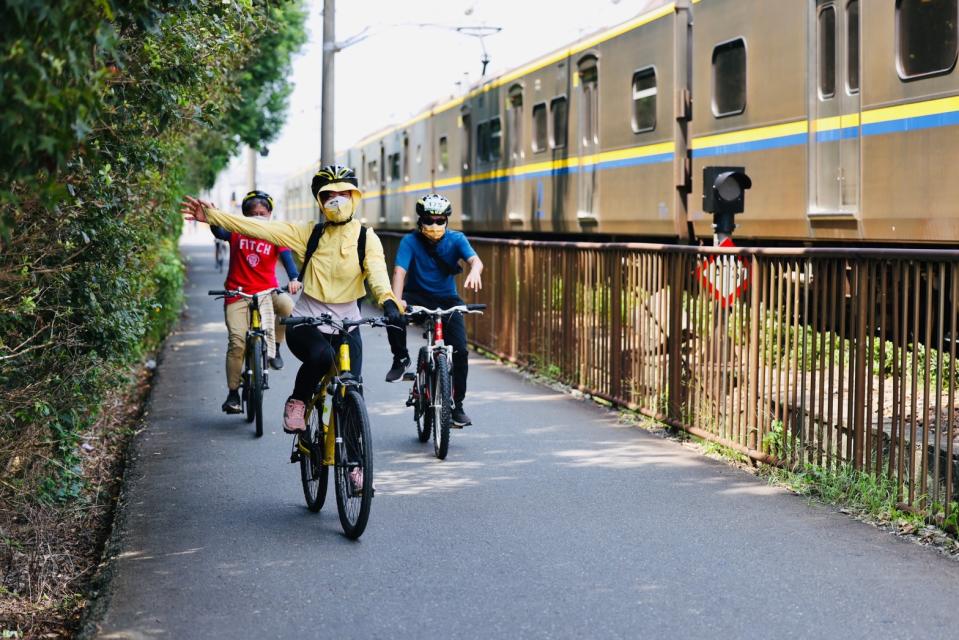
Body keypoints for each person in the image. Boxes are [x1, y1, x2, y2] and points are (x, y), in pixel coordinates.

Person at [182, 165, 403, 433]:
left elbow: (378, 273)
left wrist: (388, 301)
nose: (336, 200)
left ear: (354, 196)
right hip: (306, 323)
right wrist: (213, 217)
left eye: (343, 193)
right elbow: (257, 227)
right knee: (322, 356)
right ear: (320, 202)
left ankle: (355, 462)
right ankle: (297, 400)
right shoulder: (308, 233)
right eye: (328, 195)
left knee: (353, 389)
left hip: (348, 325)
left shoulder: (367, 238)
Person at [385, 193, 483, 427]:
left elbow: (475, 261)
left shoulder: (456, 239)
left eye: (440, 221)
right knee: (392, 312)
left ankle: (456, 406)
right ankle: (400, 359)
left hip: (447, 299)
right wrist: (397, 302)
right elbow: (400, 272)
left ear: (447, 221)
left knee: (460, 350)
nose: (435, 225)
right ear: (420, 221)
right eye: (429, 220)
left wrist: (475, 271)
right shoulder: (410, 241)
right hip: (416, 295)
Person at [211, 190, 301, 414]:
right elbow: (219, 231)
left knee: (289, 307)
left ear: (270, 214)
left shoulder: (274, 234)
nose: (258, 217)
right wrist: (211, 217)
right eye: (253, 214)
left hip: (268, 292)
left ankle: (276, 347)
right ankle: (233, 393)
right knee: (237, 342)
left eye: (263, 213)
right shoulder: (236, 232)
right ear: (245, 216)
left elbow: (288, 259)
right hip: (237, 295)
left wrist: (294, 279)